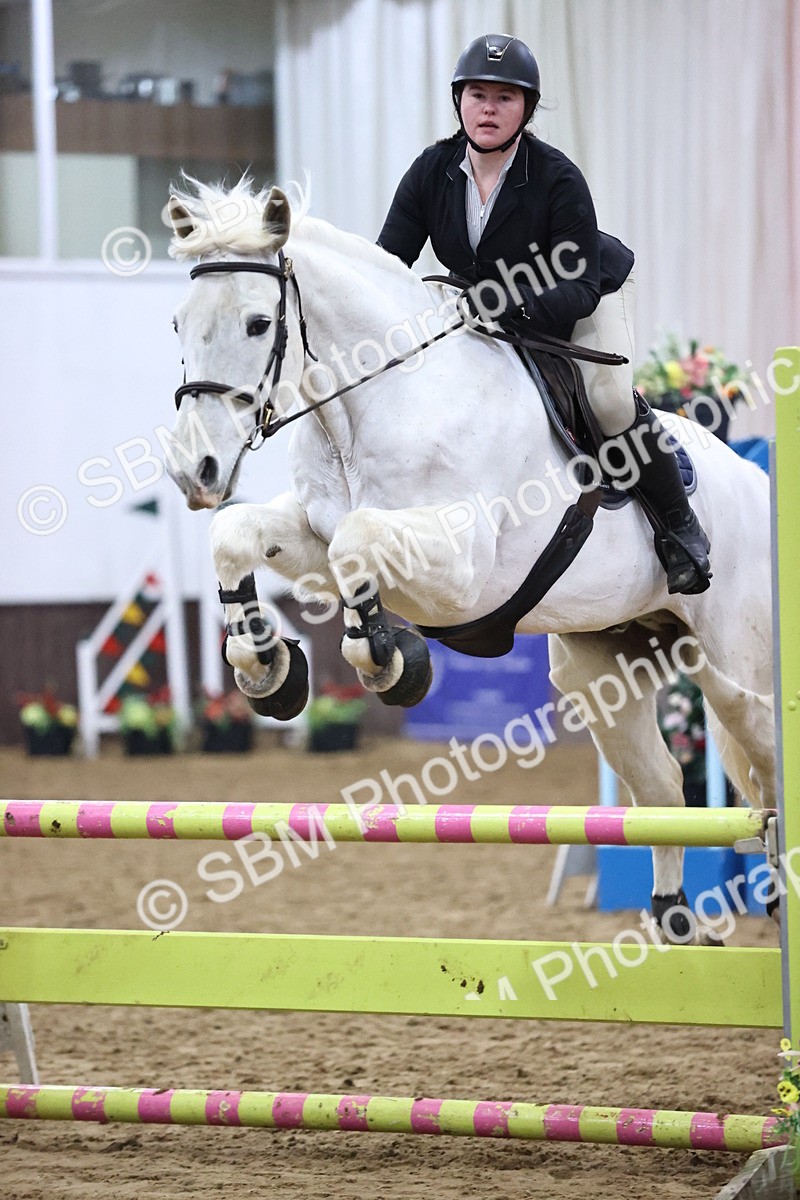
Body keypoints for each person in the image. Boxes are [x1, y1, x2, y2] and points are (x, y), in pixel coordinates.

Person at [377, 33, 711, 595]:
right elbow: (389, 263)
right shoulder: (431, 171)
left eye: (505, 97)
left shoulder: (557, 176)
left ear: (526, 109)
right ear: (458, 101)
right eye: (477, 94)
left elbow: (578, 286)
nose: (488, 108)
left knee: (606, 399)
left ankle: (681, 529)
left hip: (583, 294)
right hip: (485, 308)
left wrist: (505, 303)